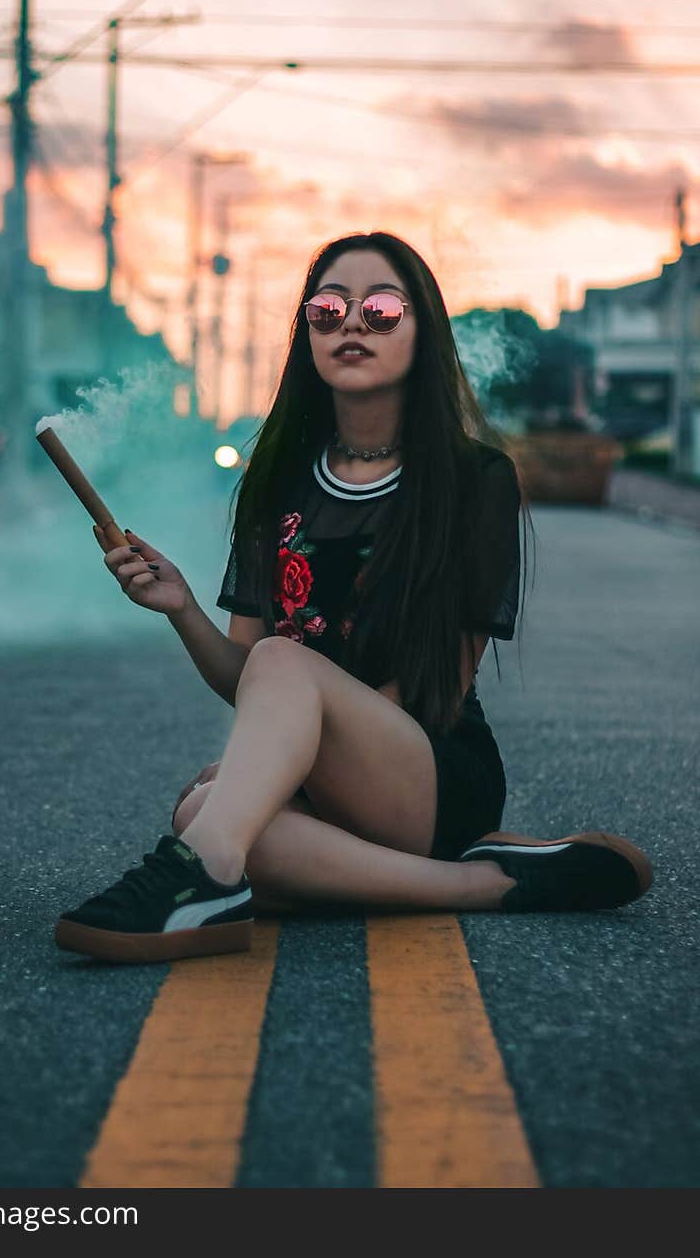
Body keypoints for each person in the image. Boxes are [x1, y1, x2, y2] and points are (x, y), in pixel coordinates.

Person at [55, 231, 653, 964]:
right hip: (332, 771)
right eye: (327, 309)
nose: (352, 324)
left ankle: (202, 881)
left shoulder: (475, 480)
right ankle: (481, 885)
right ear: (306, 333)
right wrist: (181, 607)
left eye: (381, 309)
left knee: (238, 770)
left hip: (428, 772)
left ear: (421, 330)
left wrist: (296, 764)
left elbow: (434, 689)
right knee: (205, 810)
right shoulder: (277, 484)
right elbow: (249, 682)